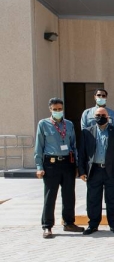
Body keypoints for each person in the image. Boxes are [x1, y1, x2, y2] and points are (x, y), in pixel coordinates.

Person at [34, 98, 84, 238]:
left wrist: (77, 164)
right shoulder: (43, 124)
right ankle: (47, 226)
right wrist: (39, 166)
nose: (57, 111)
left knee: (69, 195)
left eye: (59, 109)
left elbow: (73, 145)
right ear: (50, 109)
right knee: (50, 196)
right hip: (51, 164)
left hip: (67, 163)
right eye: (55, 109)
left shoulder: (68, 124)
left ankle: (69, 223)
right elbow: (39, 146)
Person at [78, 107, 114, 235]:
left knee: (113, 199)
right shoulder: (87, 132)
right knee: (93, 199)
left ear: (108, 117)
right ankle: (93, 225)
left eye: (103, 115)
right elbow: (82, 153)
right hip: (94, 170)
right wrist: (81, 171)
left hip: (112, 171)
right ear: (94, 117)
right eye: (98, 115)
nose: (101, 117)